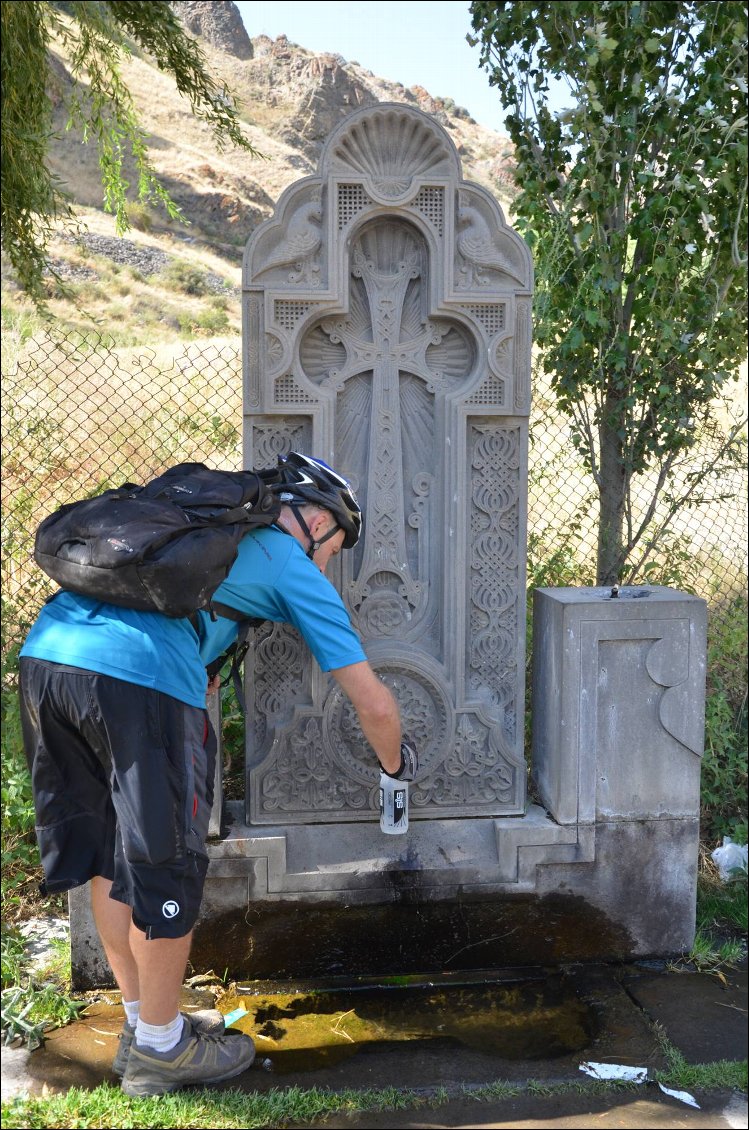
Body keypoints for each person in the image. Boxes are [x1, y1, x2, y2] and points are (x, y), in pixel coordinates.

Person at [18, 451, 418, 1097]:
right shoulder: (289, 563)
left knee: (108, 860)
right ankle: (160, 1053)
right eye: (335, 549)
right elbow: (372, 701)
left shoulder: (190, 530)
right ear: (316, 520)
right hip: (134, 677)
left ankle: (146, 1025)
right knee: (164, 861)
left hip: (47, 660)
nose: (328, 567)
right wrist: (397, 773)